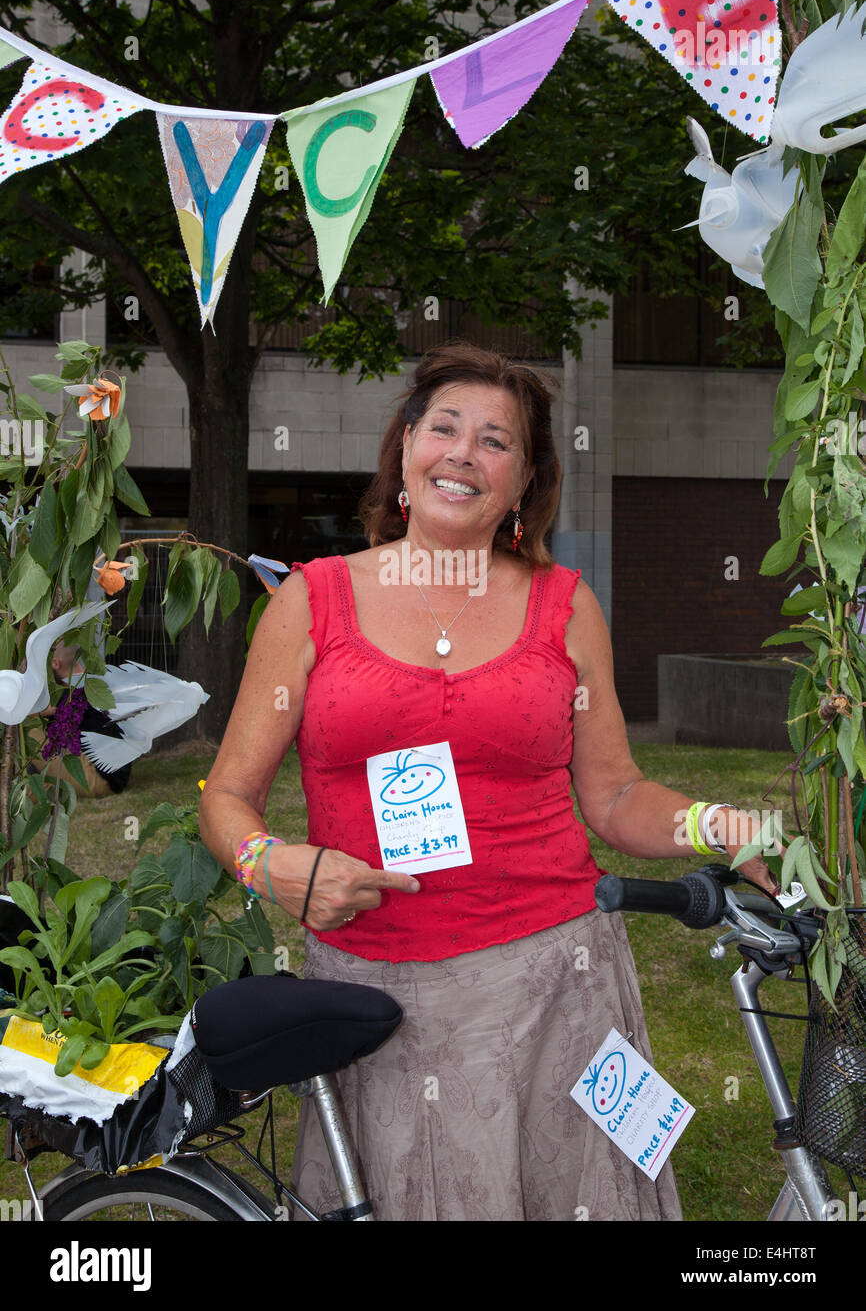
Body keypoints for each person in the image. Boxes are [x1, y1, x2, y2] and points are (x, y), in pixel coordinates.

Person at [198, 341, 778, 1222]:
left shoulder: (566, 606)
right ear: (404, 452)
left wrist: (728, 829)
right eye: (444, 428)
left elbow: (617, 796)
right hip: (375, 996)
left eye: (497, 440)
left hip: (556, 990)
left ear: (525, 483)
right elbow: (224, 799)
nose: (464, 453)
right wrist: (268, 864)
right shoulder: (311, 602)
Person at [28, 641, 131, 798]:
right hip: (116, 774)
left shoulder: (72, 692)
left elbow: (58, 730)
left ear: (55, 663)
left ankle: (29, 793)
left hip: (99, 778)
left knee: (28, 729)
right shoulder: (94, 685)